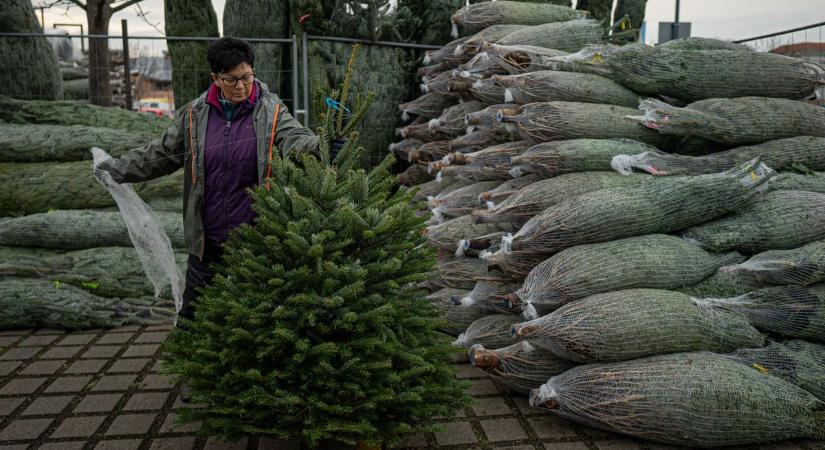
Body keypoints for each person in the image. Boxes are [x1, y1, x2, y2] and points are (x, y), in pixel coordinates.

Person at [97, 37, 345, 326]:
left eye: (247, 77)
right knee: (192, 320)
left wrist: (321, 146)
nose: (241, 86)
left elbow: (295, 140)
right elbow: (161, 153)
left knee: (255, 322)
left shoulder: (272, 111)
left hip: (256, 239)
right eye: (231, 80)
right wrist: (115, 170)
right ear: (215, 78)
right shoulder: (195, 115)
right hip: (207, 241)